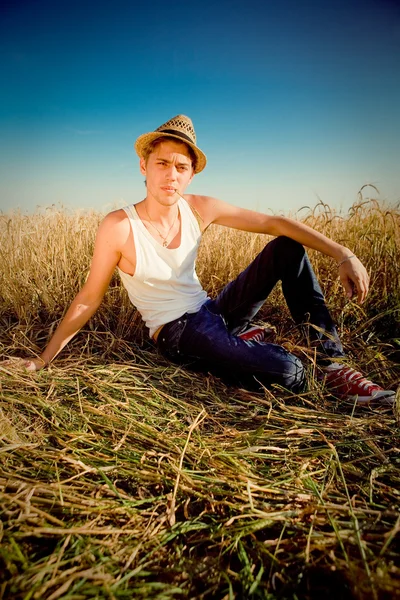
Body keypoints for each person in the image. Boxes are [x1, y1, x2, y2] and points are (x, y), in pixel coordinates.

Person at [18, 114, 395, 405]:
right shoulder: (118, 226)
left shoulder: (199, 209)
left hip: (212, 311)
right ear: (143, 167)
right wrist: (43, 360)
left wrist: (344, 253)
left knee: (286, 247)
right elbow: (88, 297)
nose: (171, 175)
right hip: (178, 332)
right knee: (290, 371)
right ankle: (246, 348)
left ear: (191, 174)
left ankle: (332, 363)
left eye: (181, 167)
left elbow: (274, 222)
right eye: (162, 163)